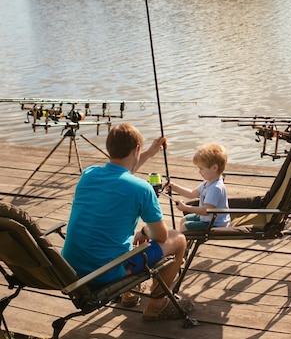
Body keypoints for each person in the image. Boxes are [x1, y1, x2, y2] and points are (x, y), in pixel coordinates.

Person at [61, 123, 192, 321]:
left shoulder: (89, 175)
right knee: (178, 239)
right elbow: (161, 236)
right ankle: (156, 306)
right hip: (107, 273)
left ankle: (129, 294)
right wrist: (146, 232)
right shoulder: (142, 189)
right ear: (136, 149)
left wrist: (148, 153)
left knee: (124, 238)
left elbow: (119, 173)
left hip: (73, 268)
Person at [168, 143, 230, 232]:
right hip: (206, 219)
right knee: (184, 220)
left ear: (214, 168)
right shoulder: (208, 182)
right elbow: (192, 193)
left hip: (215, 223)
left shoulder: (215, 188)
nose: (199, 172)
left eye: (201, 168)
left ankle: (181, 244)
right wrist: (174, 187)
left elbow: (205, 211)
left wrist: (185, 208)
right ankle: (183, 242)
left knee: (186, 226)